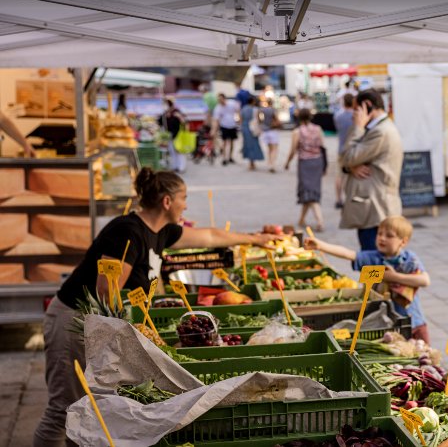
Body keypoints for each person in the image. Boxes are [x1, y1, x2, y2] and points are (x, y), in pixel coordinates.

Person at [33, 168, 277, 447]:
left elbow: (208, 237)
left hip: (98, 325)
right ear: (167, 201)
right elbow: (106, 292)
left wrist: (256, 239)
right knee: (64, 408)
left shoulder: (161, 231)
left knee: (87, 409)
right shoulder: (127, 232)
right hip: (74, 320)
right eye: (183, 198)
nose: (186, 204)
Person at [305, 216, 430, 343]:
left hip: (414, 321)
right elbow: (348, 254)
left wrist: (392, 277)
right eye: (379, 233)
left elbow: (424, 280)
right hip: (387, 324)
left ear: (403, 242)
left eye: (389, 236)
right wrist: (320, 245)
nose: (382, 238)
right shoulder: (373, 258)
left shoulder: (409, 259)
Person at [339, 89, 403, 251]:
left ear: (367, 106)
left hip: (375, 209)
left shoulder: (380, 132)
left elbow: (347, 156)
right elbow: (347, 159)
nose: (354, 114)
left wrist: (357, 127)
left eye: (356, 109)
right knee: (373, 260)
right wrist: (351, 166)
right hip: (373, 207)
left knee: (372, 260)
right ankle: (374, 278)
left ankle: (373, 278)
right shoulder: (378, 128)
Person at [285, 108, 325, 231]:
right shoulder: (318, 129)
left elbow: (293, 149)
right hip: (317, 162)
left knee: (309, 193)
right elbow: (322, 146)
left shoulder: (297, 132)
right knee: (309, 191)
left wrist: (287, 162)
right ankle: (301, 219)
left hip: (305, 163)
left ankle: (320, 221)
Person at [333, 93, 355, 208]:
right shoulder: (356, 116)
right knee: (351, 175)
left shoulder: (338, 116)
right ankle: (349, 198)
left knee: (339, 175)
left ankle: (338, 199)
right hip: (353, 149)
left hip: (341, 149)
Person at [211, 93, 240, 166]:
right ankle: (224, 158)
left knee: (232, 142)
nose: (220, 101)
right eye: (219, 100)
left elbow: (238, 111)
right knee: (225, 142)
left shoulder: (232, 103)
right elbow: (216, 119)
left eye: (221, 99)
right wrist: (214, 129)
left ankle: (230, 156)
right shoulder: (218, 108)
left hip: (233, 125)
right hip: (224, 126)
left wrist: (239, 120)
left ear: (224, 98)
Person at [159, 99, 186, 173]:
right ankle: (175, 166)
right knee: (172, 152)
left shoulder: (176, 112)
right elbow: (160, 122)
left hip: (178, 135)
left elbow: (184, 122)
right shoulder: (164, 114)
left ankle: (181, 167)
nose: (164, 106)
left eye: (165, 104)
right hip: (170, 135)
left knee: (179, 151)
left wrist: (179, 117)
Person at [240, 95, 264, 171]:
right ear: (253, 101)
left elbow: (241, 119)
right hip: (253, 128)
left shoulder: (243, 109)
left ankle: (251, 162)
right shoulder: (255, 109)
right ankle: (252, 162)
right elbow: (259, 120)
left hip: (245, 128)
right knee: (254, 145)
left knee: (247, 145)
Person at [259, 98, 281, 173]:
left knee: (269, 149)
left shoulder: (263, 110)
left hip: (265, 130)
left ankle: (269, 163)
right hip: (272, 130)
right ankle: (272, 164)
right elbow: (277, 119)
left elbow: (258, 115)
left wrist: (261, 122)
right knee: (274, 149)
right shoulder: (273, 110)